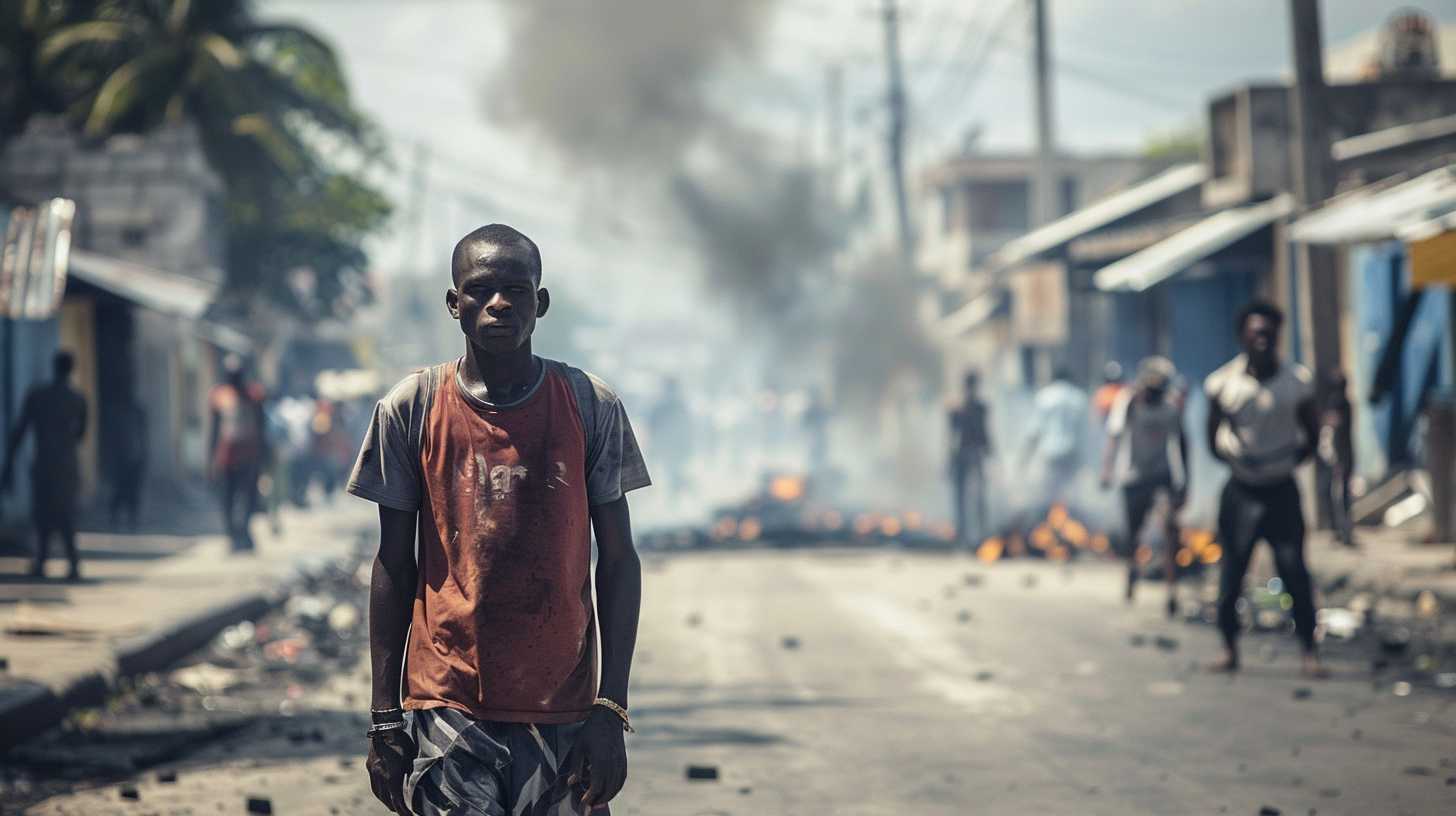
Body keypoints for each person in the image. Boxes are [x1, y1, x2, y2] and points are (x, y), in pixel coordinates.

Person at [349, 224, 650, 816]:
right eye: (480, 289)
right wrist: (385, 718)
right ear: (454, 302)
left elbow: (617, 559)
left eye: (516, 289)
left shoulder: (589, 405)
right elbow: (393, 564)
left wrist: (610, 707)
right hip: (449, 704)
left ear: (540, 303)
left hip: (562, 705)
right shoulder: (411, 408)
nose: (499, 303)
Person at [1204, 301, 1325, 678]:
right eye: (1255, 332)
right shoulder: (1223, 384)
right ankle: (1228, 649)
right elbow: (1212, 437)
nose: (1262, 339)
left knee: (1294, 571)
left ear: (1277, 336)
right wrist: (1242, 463)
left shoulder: (1297, 382)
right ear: (1242, 336)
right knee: (1232, 573)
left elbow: (1312, 434)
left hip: (1281, 492)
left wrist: (1283, 464)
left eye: (1268, 333)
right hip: (1241, 492)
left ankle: (1309, 651)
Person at [1101, 356, 1189, 616]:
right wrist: (1107, 470)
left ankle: (1172, 592)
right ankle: (1132, 570)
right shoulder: (1127, 403)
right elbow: (1114, 437)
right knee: (1134, 534)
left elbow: (1183, 443)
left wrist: (1185, 482)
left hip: (1162, 476)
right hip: (1134, 476)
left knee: (1170, 532)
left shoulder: (1170, 408)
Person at [2, 351, 88, 580]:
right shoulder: (77, 399)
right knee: (66, 513)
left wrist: (9, 463)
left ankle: (42, 561)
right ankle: (72, 562)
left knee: (43, 513)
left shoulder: (37, 396)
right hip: (67, 465)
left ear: (54, 368)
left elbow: (19, 431)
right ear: (71, 370)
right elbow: (81, 435)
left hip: (43, 463)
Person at [208, 356, 267, 552]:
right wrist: (211, 458)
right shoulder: (220, 397)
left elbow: (261, 427)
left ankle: (244, 532)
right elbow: (215, 429)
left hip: (249, 456)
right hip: (226, 457)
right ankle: (233, 535)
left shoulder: (254, 395)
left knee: (249, 497)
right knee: (227, 497)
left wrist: (263, 456)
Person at [1024, 367, 1089, 506]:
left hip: (1050, 451)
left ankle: (1054, 522)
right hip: (1072, 451)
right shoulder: (1079, 397)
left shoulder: (1044, 396)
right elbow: (1084, 432)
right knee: (1071, 494)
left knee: (1050, 493)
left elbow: (1035, 431)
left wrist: (1025, 459)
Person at [948, 371, 993, 547]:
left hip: (975, 453)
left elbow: (985, 432)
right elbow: (952, 436)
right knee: (961, 497)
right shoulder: (957, 407)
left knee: (978, 496)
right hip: (963, 454)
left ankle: (982, 534)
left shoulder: (980, 407)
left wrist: (990, 452)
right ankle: (962, 535)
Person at [1316, 369, 1356, 549]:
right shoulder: (1343, 402)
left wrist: (1337, 458)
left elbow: (1336, 433)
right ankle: (1342, 532)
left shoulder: (1338, 403)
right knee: (1339, 494)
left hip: (1340, 456)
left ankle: (1343, 532)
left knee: (1339, 495)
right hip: (1342, 455)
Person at [108, 393, 148, 530]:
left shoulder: (136, 414)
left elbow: (143, 436)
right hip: (125, 458)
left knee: (132, 490)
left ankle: (132, 517)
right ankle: (117, 515)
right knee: (122, 489)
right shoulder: (120, 415)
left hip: (134, 457)